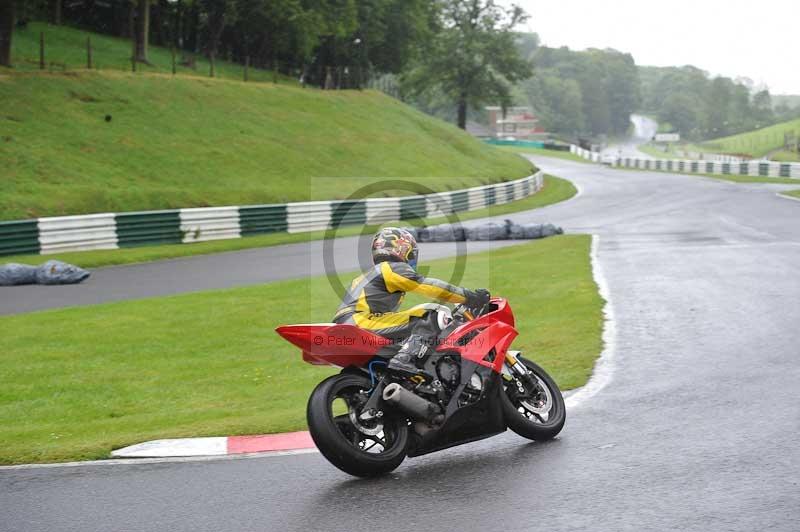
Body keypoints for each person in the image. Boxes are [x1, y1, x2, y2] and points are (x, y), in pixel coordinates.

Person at [333, 227, 490, 375]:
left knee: (408, 332)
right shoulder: (392, 267)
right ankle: (405, 359)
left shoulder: (367, 275)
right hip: (361, 321)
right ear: (403, 249)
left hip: (346, 324)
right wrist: (468, 297)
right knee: (434, 312)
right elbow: (429, 286)